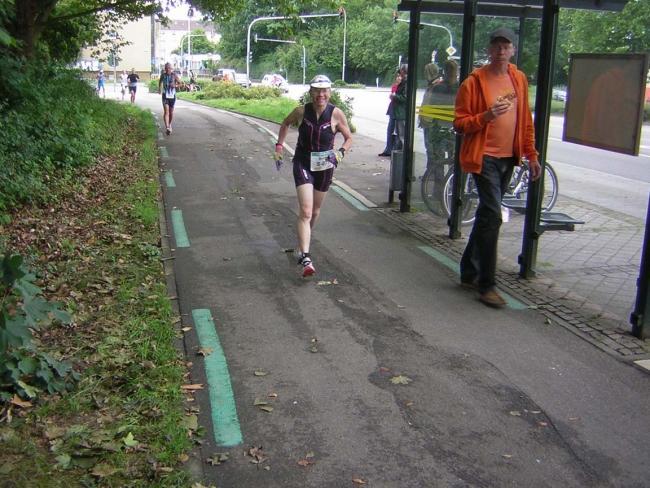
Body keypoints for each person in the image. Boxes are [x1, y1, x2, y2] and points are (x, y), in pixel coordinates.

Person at [453, 27, 540, 308]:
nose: (501, 51)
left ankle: (468, 270)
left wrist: (531, 154)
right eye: (497, 46)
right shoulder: (473, 82)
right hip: (484, 157)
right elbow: (460, 123)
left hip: (508, 157)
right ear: (489, 50)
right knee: (493, 214)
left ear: (513, 50)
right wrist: (486, 116)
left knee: (487, 216)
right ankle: (486, 285)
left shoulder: (519, 79)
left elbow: (525, 119)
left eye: (506, 46)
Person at [274, 75, 353, 277]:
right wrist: (279, 145)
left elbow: (349, 137)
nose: (321, 95)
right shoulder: (301, 111)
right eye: (317, 90)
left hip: (325, 165)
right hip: (303, 162)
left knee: (315, 211)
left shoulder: (336, 114)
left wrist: (341, 152)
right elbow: (284, 123)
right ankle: (306, 257)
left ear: (330, 93)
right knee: (306, 210)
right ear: (310, 92)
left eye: (325, 90)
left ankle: (303, 241)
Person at [419, 59, 459, 213]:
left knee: (439, 160)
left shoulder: (438, 88)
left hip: (440, 130)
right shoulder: (460, 88)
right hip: (453, 130)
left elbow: (428, 108)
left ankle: (440, 190)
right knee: (452, 160)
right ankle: (450, 188)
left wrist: (429, 124)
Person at [378, 71, 402, 157]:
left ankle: (395, 150)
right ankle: (388, 149)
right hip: (393, 109)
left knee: (399, 132)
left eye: (400, 76)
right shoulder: (395, 86)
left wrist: (394, 96)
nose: (398, 78)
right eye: (397, 76)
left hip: (398, 111)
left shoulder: (403, 87)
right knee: (390, 130)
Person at [158, 63, 181, 135]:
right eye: (166, 68)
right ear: (165, 69)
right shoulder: (163, 75)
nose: (168, 69)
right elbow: (160, 81)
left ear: (171, 69)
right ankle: (167, 127)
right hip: (165, 95)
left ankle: (169, 124)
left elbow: (180, 83)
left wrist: (175, 85)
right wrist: (160, 89)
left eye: (169, 68)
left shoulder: (174, 75)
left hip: (172, 96)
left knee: (171, 112)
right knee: (166, 111)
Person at [392, 64, 408, 150]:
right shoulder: (403, 82)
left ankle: (402, 154)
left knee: (401, 135)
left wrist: (394, 96)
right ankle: (400, 154)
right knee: (399, 134)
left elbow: (405, 97)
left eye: (401, 71)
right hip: (399, 112)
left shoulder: (405, 82)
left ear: (403, 71)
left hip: (401, 112)